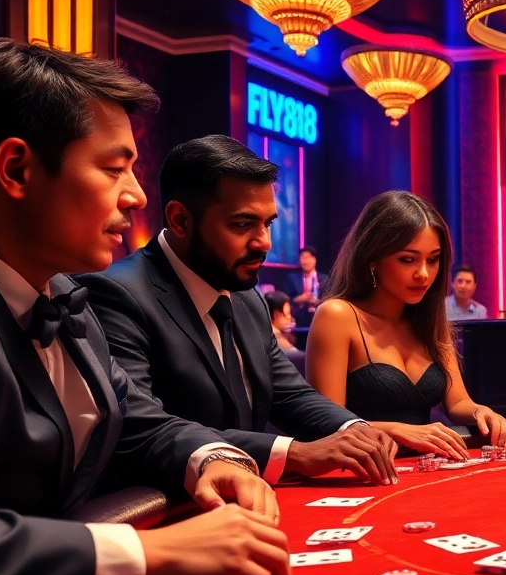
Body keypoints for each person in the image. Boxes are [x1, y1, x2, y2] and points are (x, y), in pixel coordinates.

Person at [0, 38, 290, 575]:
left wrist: (215, 459)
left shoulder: (66, 301)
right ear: (18, 170)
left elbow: (138, 421)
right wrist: (143, 553)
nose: (134, 195)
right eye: (112, 168)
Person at [79, 136, 401, 487]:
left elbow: (289, 394)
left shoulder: (247, 296)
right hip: (170, 510)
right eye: (242, 224)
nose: (264, 241)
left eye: (268, 223)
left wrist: (354, 430)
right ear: (180, 220)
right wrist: (294, 453)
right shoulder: (117, 293)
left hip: (251, 498)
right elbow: (140, 423)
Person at [306, 191, 506, 457]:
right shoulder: (337, 315)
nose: (424, 274)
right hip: (361, 471)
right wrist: (397, 429)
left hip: (425, 468)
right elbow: (325, 425)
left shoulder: (430, 320)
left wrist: (480, 411)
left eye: (433, 259)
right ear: (373, 260)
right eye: (408, 259)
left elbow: (458, 401)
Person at [285, 246, 327, 327]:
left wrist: (317, 301)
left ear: (314, 259)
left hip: (320, 318)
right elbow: (285, 298)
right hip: (298, 319)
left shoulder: (325, 279)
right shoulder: (291, 278)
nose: (305, 261)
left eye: (308, 258)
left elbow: (329, 299)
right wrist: (298, 299)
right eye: (302, 258)